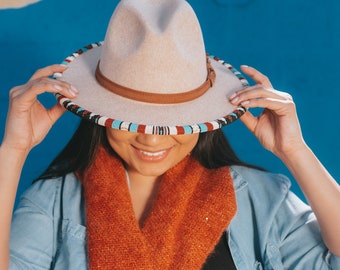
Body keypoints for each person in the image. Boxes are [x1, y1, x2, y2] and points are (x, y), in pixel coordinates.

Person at [1, 0, 339, 269]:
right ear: (100, 117)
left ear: (202, 118)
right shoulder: (53, 202)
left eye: (172, 121)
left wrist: (294, 149)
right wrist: (14, 150)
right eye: (130, 119)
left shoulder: (258, 199)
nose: (150, 139)